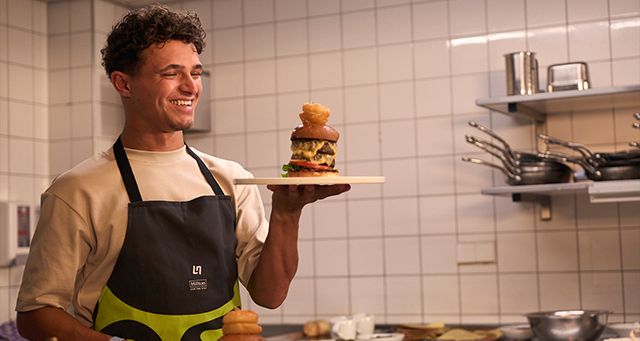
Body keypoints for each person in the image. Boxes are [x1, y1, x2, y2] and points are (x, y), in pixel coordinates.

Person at [15, 5, 349, 341]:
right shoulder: (78, 190)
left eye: (196, 72)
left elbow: (270, 295)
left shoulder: (231, 179)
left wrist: (288, 214)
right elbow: (35, 313)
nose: (191, 87)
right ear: (123, 84)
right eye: (171, 73)